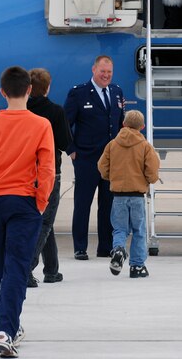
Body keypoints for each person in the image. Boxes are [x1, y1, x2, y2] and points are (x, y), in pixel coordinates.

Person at [0, 66, 55, 358]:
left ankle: (7, 327)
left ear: (3, 92)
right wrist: (40, 203)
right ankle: (6, 329)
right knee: (17, 267)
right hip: (24, 201)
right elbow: (47, 170)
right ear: (29, 90)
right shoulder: (41, 124)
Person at [63, 55, 125, 260]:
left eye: (109, 72)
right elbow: (65, 124)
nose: (106, 76)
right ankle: (80, 247)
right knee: (83, 204)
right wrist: (70, 149)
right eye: (102, 72)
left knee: (108, 204)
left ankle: (105, 247)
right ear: (93, 70)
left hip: (111, 160)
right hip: (86, 158)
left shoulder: (116, 92)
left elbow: (120, 124)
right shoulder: (78, 93)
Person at [97, 110, 159, 279]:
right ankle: (137, 266)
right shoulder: (145, 146)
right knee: (139, 230)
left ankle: (118, 249)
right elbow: (152, 170)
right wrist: (150, 179)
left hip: (118, 195)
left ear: (123, 124)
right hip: (137, 195)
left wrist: (112, 177)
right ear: (142, 127)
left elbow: (102, 166)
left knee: (119, 229)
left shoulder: (112, 144)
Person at [26, 68, 72, 288]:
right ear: (48, 87)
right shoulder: (55, 111)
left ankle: (52, 269)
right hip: (50, 171)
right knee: (45, 220)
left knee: (45, 220)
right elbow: (64, 142)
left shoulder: (23, 110)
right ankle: (27, 267)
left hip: (25, 172)